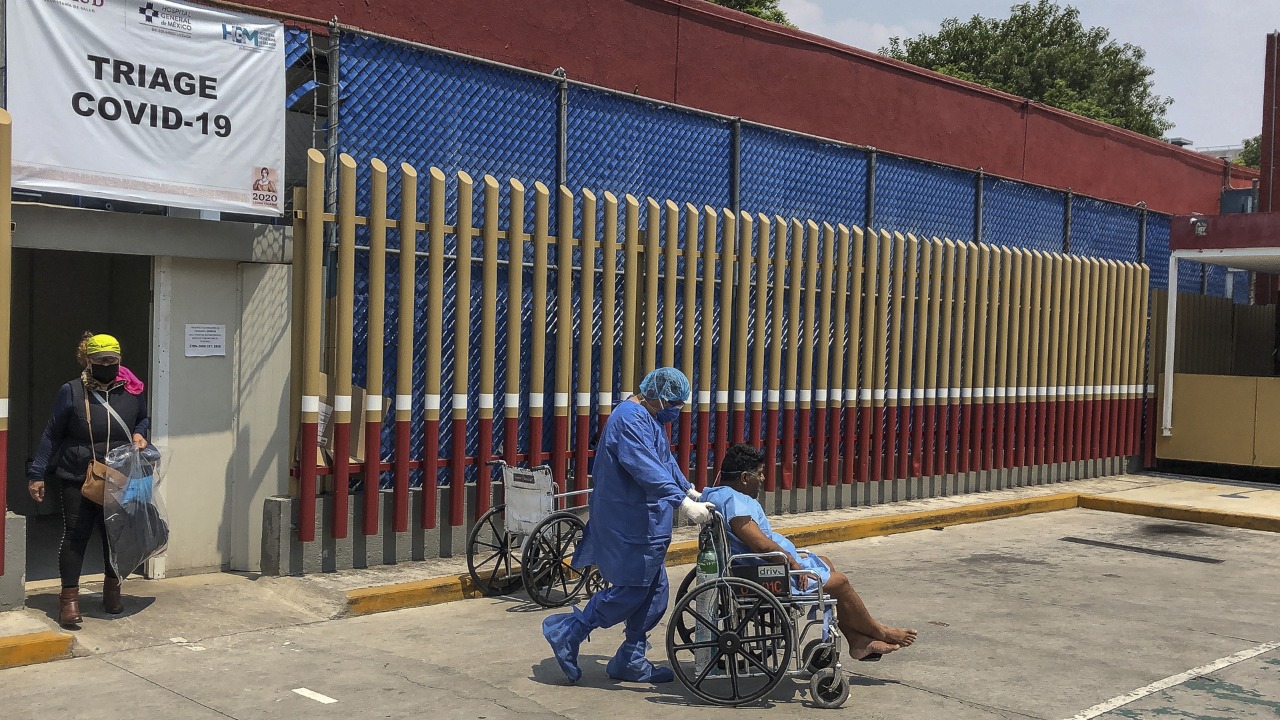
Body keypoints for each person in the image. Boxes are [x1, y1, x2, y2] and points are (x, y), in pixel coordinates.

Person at [542, 367, 714, 684]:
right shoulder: (629, 420)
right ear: (657, 396)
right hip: (627, 521)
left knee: (656, 593)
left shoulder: (649, 418)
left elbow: (664, 462)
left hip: (645, 522)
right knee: (632, 591)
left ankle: (631, 659)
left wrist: (688, 489)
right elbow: (645, 468)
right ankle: (570, 631)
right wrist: (683, 503)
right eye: (674, 403)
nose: (677, 410)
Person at [702, 444, 918, 661]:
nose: (764, 478)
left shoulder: (722, 496)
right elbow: (760, 545)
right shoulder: (735, 502)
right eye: (759, 474)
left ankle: (857, 641)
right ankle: (880, 631)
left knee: (825, 562)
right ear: (744, 478)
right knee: (840, 583)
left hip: (766, 566)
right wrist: (794, 564)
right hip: (765, 574)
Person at [27, 333, 151, 627]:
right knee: (76, 535)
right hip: (78, 475)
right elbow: (52, 434)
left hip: (119, 475)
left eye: (113, 360)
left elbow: (143, 418)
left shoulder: (132, 391)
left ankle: (112, 589)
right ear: (87, 361)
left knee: (115, 535)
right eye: (100, 360)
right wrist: (36, 474)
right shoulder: (71, 391)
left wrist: (140, 433)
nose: (107, 365)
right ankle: (69, 600)